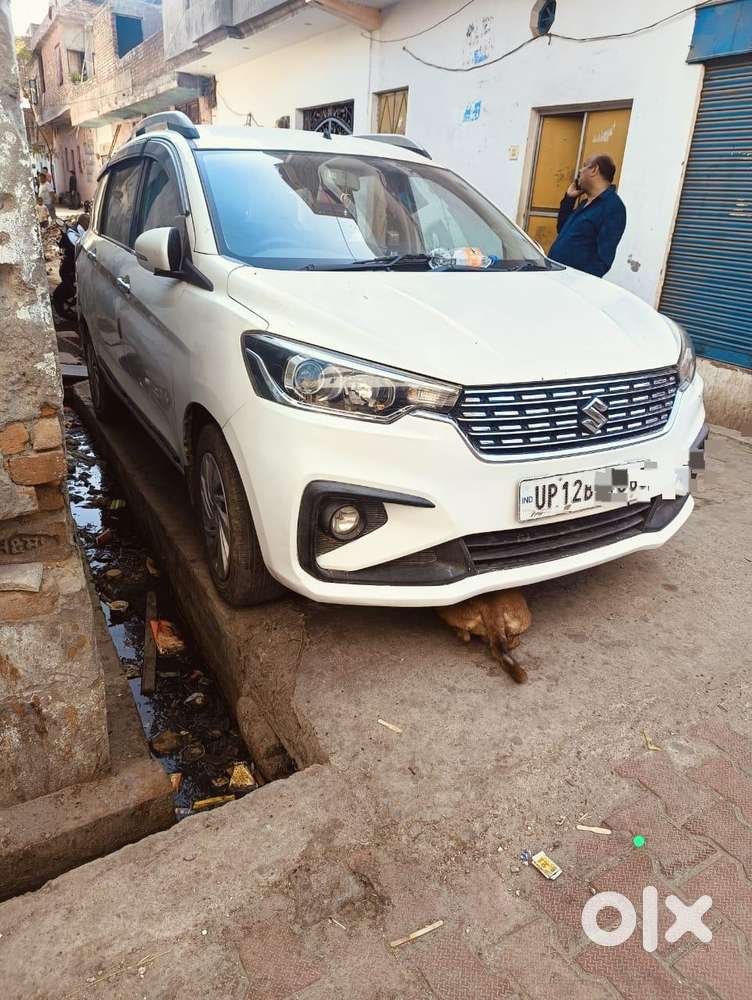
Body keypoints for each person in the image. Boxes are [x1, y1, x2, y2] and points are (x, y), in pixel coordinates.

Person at [548, 154, 626, 278]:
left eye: (584, 166)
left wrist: (580, 283)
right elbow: (561, 229)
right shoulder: (585, 203)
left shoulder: (612, 207)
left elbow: (603, 259)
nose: (579, 171)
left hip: (572, 284)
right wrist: (569, 199)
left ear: (594, 169)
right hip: (555, 277)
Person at [52, 213, 89, 321]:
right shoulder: (73, 234)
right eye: (87, 222)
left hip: (76, 268)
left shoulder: (78, 232)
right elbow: (76, 246)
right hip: (72, 268)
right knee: (70, 287)